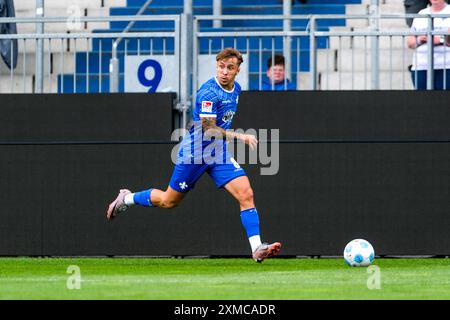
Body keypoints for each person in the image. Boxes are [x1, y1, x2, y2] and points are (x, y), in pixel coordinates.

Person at [106, 48, 281, 263]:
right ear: (216, 66)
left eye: (230, 68)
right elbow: (209, 128)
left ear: (237, 71)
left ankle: (257, 248)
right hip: (195, 153)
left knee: (246, 194)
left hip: (218, 153)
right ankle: (128, 198)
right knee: (168, 201)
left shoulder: (236, 89)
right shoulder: (208, 92)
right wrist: (241, 137)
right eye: (221, 67)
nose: (224, 72)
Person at [406, 0, 450, 90]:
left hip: (446, 66)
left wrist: (440, 40)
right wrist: (419, 40)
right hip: (421, 66)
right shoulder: (421, 13)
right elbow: (410, 42)